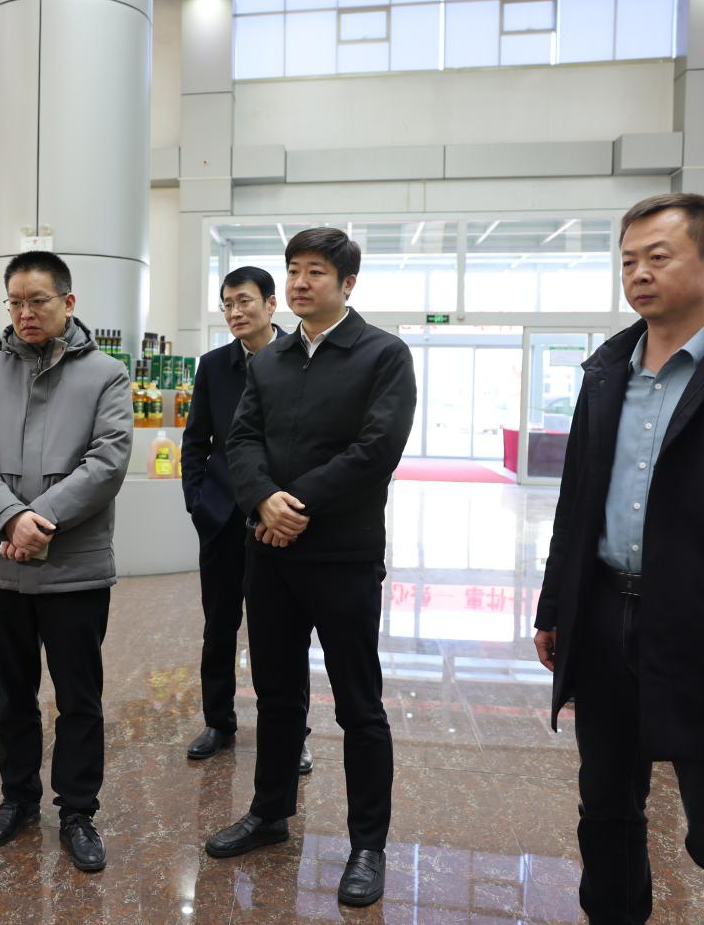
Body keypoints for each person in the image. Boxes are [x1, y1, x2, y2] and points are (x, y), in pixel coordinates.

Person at [533, 193, 704, 924]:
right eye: (628, 260)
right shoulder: (605, 371)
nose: (639, 274)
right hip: (602, 618)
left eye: (658, 257)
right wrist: (555, 608)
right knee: (605, 811)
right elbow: (576, 502)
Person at [206, 228, 416, 911]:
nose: (299, 282)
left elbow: (376, 449)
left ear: (347, 283)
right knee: (275, 694)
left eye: (315, 271)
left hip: (343, 555)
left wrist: (292, 503)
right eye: (293, 270)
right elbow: (239, 439)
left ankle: (367, 844)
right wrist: (261, 500)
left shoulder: (382, 354)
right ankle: (269, 812)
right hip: (270, 554)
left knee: (358, 704)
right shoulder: (270, 359)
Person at [0, 250, 132, 873]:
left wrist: (39, 519)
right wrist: (10, 518)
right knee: (13, 692)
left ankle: (78, 810)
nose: (25, 313)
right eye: (16, 302)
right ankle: (18, 799)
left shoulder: (107, 374)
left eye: (39, 301)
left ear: (68, 302)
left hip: (75, 566)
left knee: (79, 696)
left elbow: (108, 460)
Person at [180, 267, 311, 775]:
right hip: (221, 519)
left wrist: (293, 508)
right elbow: (197, 440)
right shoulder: (215, 366)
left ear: (271, 304)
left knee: (282, 635)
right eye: (227, 304)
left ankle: (292, 733)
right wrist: (198, 503)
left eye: (244, 301)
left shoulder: (300, 359)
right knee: (219, 627)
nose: (235, 313)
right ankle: (219, 722)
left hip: (279, 521)